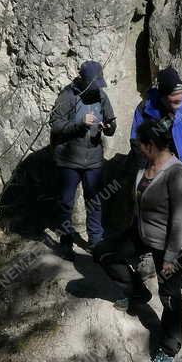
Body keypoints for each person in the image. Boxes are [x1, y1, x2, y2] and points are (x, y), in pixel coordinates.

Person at [96, 116, 182, 362]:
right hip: (140, 233)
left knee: (170, 296)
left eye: (140, 144)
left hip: (167, 243)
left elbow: (180, 221)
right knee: (104, 252)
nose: (137, 148)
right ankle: (137, 293)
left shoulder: (177, 174)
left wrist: (171, 257)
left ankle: (170, 348)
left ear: (151, 144)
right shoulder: (145, 168)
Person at [131, 67, 182, 293]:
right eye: (174, 101)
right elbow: (136, 143)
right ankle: (147, 257)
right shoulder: (146, 109)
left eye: (180, 98)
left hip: (180, 170)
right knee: (144, 212)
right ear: (163, 97)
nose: (179, 102)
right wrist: (145, 173)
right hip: (153, 168)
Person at [48, 59, 116, 252]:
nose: (96, 89)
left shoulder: (101, 97)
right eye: (92, 85)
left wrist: (109, 127)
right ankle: (66, 243)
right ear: (83, 81)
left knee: (95, 201)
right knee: (66, 203)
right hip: (68, 160)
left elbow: (111, 123)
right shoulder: (67, 96)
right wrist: (80, 124)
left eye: (98, 85)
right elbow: (56, 126)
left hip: (93, 159)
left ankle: (96, 242)